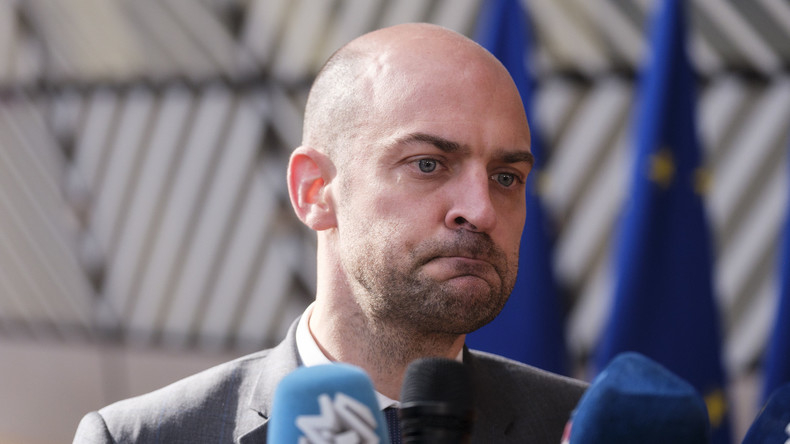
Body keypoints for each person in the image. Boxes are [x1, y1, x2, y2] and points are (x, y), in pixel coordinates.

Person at [73, 22, 587, 443]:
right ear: (314, 190)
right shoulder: (143, 437)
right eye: (428, 164)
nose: (480, 210)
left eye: (506, 177)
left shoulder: (583, 428)